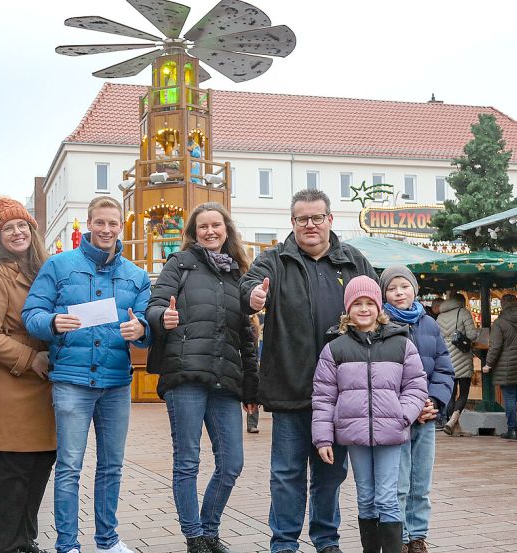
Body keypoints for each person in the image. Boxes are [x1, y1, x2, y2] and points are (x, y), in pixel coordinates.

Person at [239, 189, 379, 553]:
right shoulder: (274, 260)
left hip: (341, 393)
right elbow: (249, 284)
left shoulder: (354, 263)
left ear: (330, 220)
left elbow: (379, 316)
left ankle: (326, 539)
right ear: (293, 223)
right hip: (290, 386)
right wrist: (254, 296)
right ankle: (284, 542)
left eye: (317, 217)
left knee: (330, 474)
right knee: (286, 474)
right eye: (303, 219)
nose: (310, 225)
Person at [23, 195, 151, 553]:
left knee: (111, 466)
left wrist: (140, 330)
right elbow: (31, 314)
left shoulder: (137, 276)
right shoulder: (59, 266)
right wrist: (51, 322)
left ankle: (108, 540)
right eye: (100, 222)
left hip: (115, 383)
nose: (106, 229)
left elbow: (145, 323)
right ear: (89, 223)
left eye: (113, 223)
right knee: (69, 467)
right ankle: (68, 545)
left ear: (120, 225)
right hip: (71, 382)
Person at [145, 202, 259, 553]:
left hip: (225, 380)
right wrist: (163, 315)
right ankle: (195, 537)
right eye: (203, 227)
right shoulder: (179, 264)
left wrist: (252, 387)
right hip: (185, 376)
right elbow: (154, 306)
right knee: (187, 462)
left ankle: (210, 530)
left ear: (227, 229)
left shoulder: (238, 274)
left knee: (231, 463)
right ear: (193, 234)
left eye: (216, 225)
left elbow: (247, 336)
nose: (210, 231)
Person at [313, 276, 428, 553]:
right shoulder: (335, 349)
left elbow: (416, 385)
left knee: (387, 497)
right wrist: (323, 439)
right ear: (347, 310)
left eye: (369, 303)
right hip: (355, 436)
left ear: (379, 307)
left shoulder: (401, 344)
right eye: (357, 304)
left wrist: (403, 415)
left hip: (391, 433)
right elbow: (324, 396)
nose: (363, 309)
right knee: (365, 497)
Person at [0, 197, 56, 553]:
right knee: (9, 478)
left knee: (37, 470)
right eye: (8, 228)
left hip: (42, 385)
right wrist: (30, 357)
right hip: (9, 386)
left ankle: (26, 542)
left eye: (22, 225)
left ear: (32, 229)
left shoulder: (46, 270)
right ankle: (6, 546)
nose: (17, 232)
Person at [380, 265, 454, 553]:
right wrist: (408, 406)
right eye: (392, 288)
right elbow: (379, 375)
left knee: (420, 482)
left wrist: (433, 401)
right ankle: (398, 537)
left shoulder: (429, 324)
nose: (399, 293)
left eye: (404, 286)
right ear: (384, 292)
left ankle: (418, 537)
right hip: (397, 418)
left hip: (426, 417)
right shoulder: (381, 325)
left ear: (414, 289)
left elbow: (444, 369)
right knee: (398, 483)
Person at [483, 294, 517, 441]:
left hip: (507, 367)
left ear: (503, 305)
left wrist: (488, 364)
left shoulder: (500, 323)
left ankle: (512, 430)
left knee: (510, 398)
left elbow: (495, 347)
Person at [435, 294, 479, 435]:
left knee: (451, 393)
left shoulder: (440, 316)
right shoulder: (463, 312)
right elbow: (472, 335)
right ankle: (452, 421)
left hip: (446, 357)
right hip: (462, 356)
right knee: (464, 393)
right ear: (462, 302)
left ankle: (454, 426)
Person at [246, 313, 264, 434]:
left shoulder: (256, 324)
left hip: (256, 361)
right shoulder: (251, 323)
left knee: (253, 391)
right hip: (249, 361)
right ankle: (251, 423)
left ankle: (252, 423)